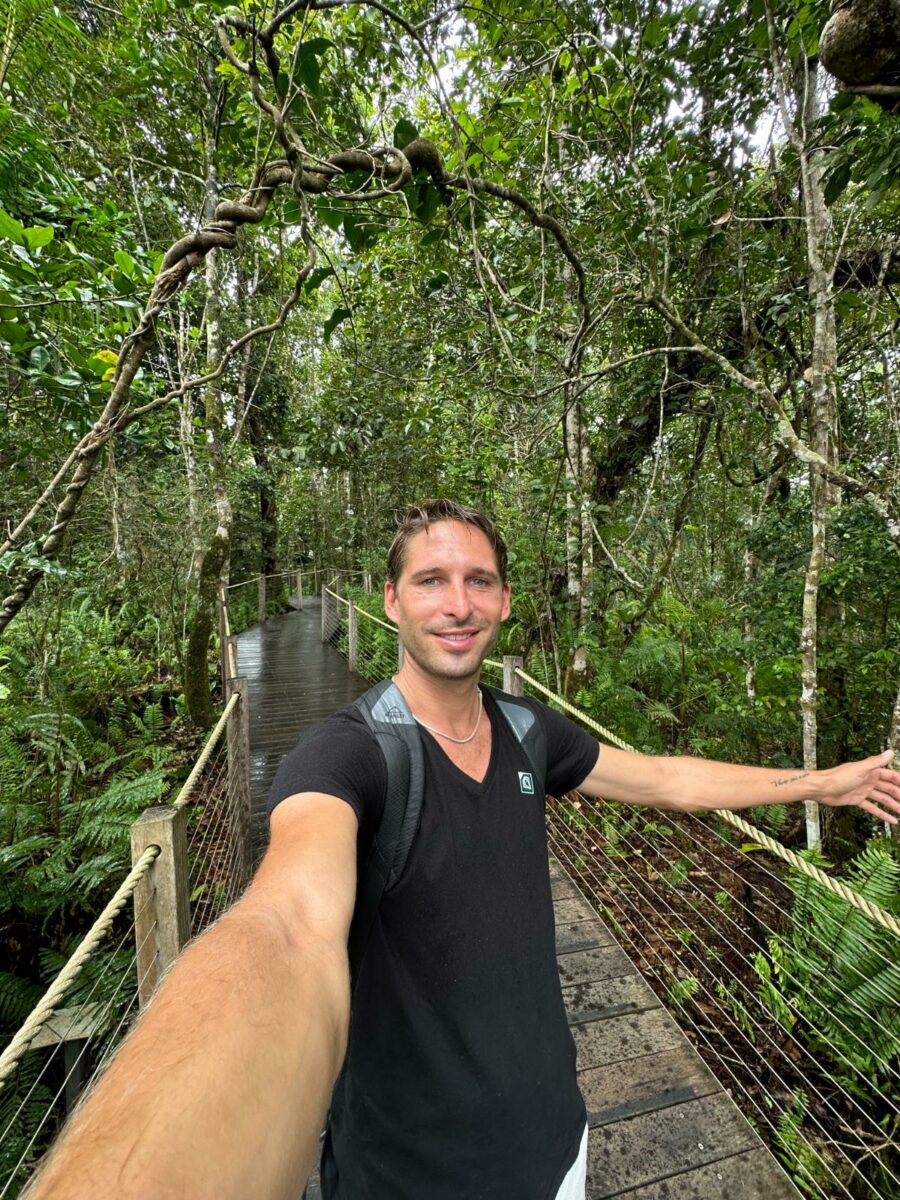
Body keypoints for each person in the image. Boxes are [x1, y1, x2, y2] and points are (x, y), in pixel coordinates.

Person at [25, 500, 900, 1200]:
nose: (458, 604)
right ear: (393, 600)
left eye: (479, 581)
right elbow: (288, 924)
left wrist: (820, 783)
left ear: (505, 601)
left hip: (556, 1144)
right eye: (432, 580)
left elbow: (668, 779)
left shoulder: (529, 731)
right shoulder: (346, 755)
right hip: (409, 1174)